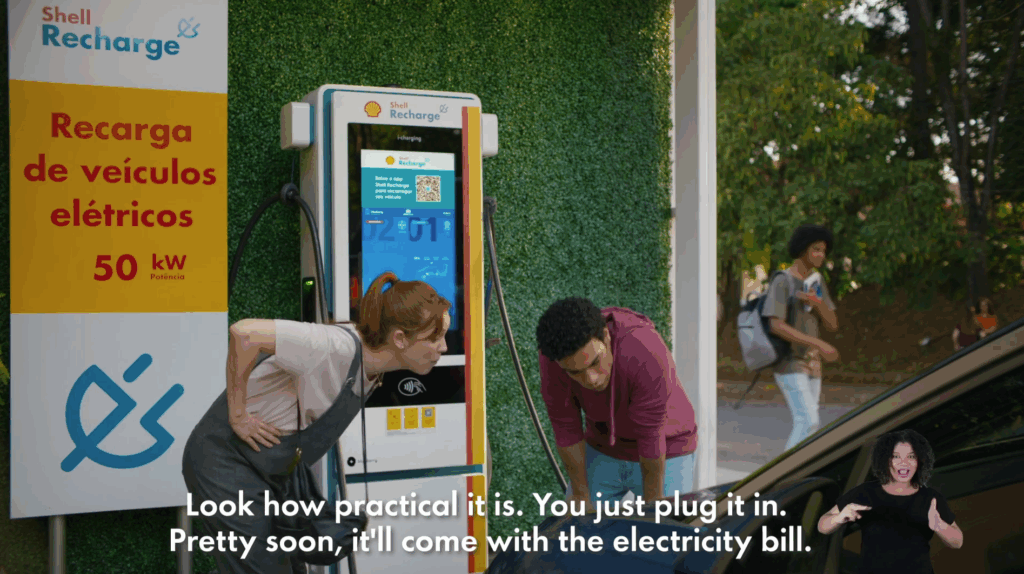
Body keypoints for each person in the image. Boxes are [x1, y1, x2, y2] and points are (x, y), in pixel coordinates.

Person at [181, 271, 450, 573]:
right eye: (435, 338)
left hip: (272, 469)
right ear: (399, 338)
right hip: (226, 461)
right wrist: (239, 415)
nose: (443, 347)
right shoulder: (335, 346)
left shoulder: (375, 369)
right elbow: (244, 333)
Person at [536, 297, 698, 509]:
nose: (591, 379)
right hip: (603, 446)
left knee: (663, 526)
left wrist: (653, 509)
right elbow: (566, 429)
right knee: (578, 525)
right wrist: (582, 497)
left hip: (667, 446)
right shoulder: (554, 359)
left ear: (606, 336)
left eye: (595, 362)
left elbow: (650, 435)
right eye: (576, 372)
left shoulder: (644, 349)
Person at [817, 429, 963, 573]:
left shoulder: (931, 498)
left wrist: (939, 526)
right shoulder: (865, 492)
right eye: (896, 457)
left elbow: (958, 542)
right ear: (885, 460)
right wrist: (839, 518)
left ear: (919, 461)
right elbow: (822, 526)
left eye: (911, 456)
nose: (904, 463)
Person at [763, 224, 840, 451]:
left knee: (810, 428)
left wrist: (818, 304)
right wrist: (818, 343)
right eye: (816, 249)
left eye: (823, 251)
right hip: (789, 361)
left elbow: (833, 324)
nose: (821, 255)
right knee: (807, 421)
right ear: (802, 249)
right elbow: (776, 325)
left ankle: (798, 470)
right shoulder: (783, 281)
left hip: (813, 363)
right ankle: (784, 471)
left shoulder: (817, 282)